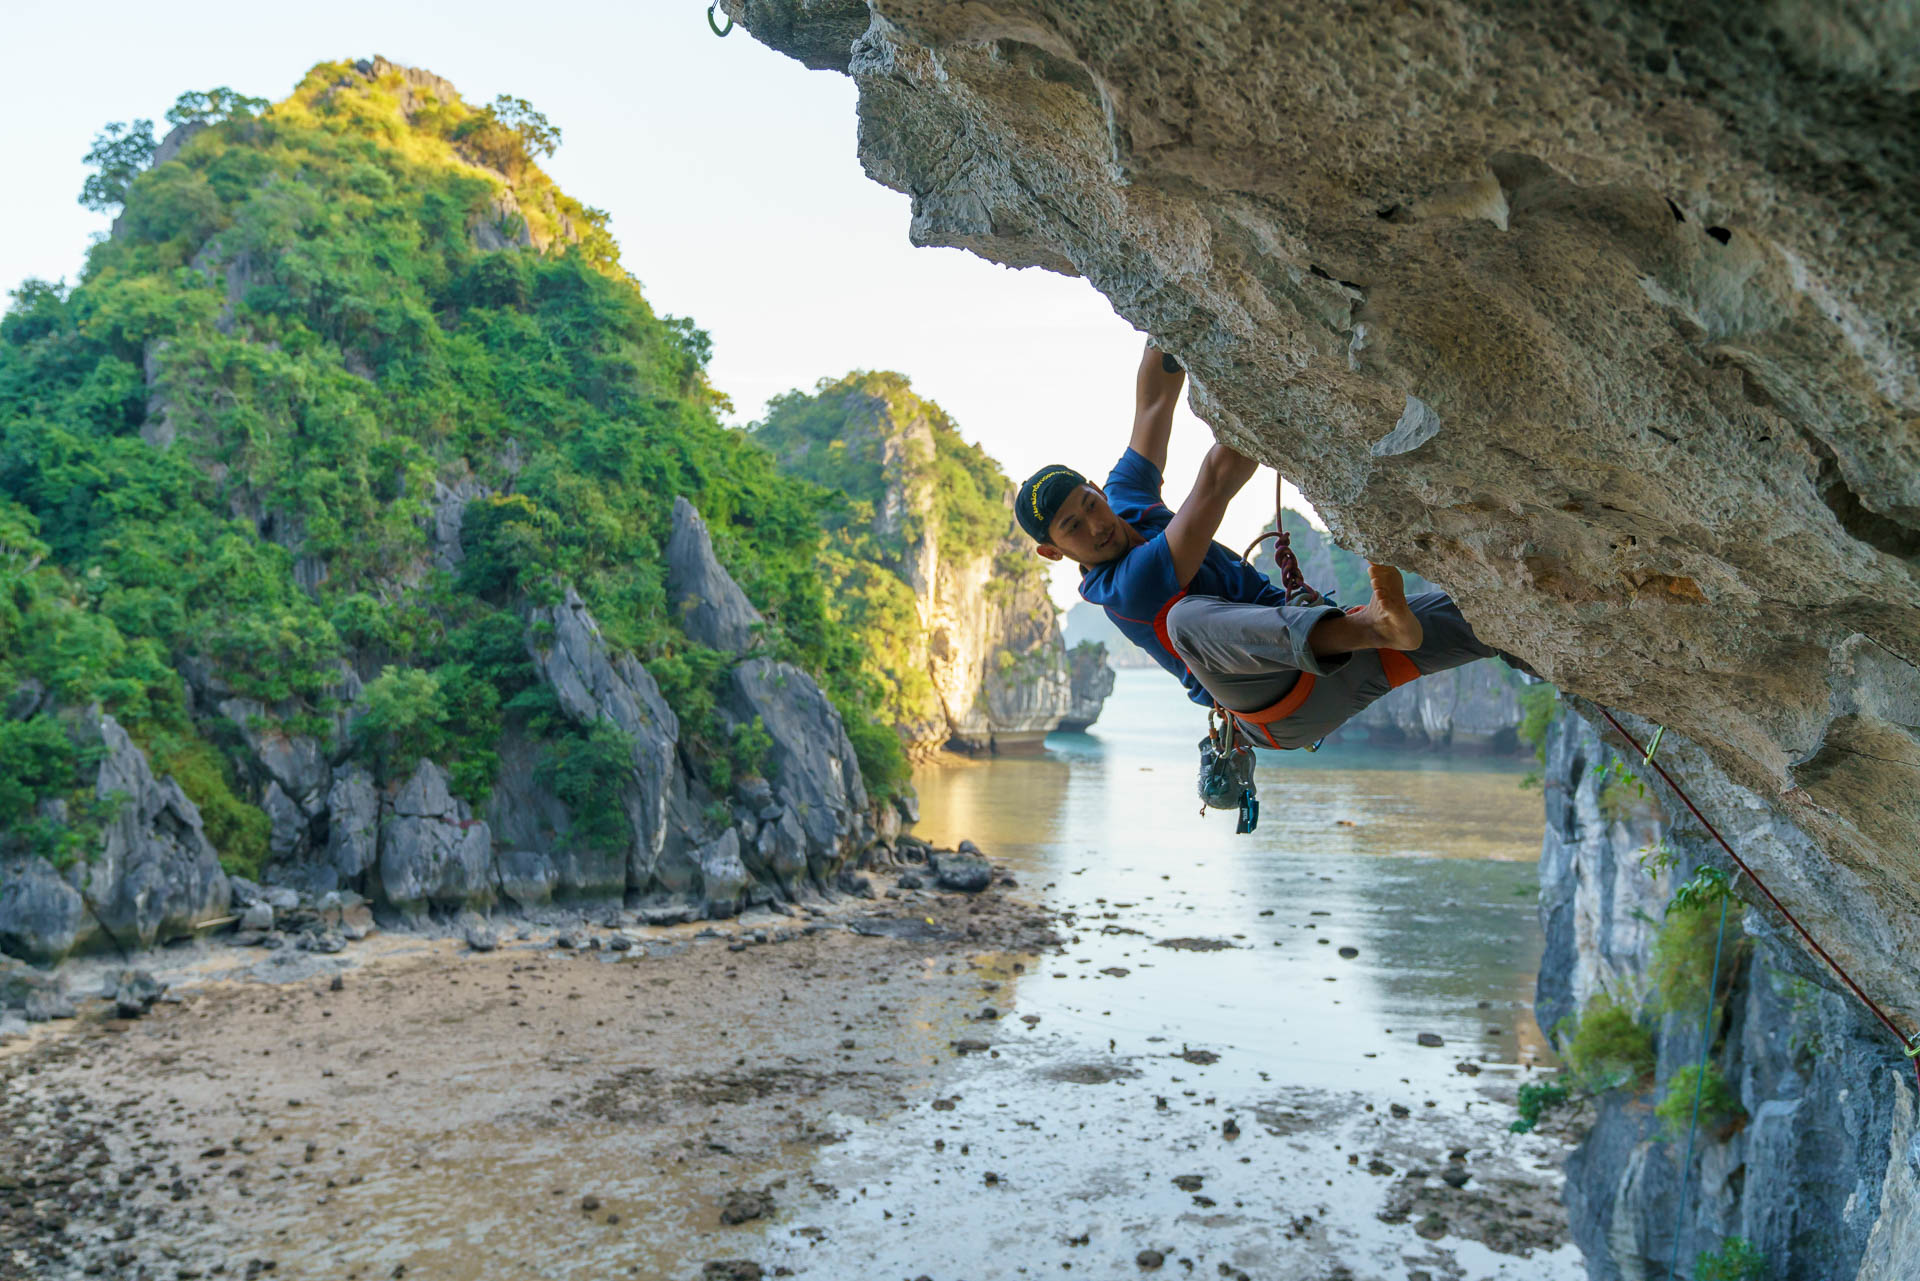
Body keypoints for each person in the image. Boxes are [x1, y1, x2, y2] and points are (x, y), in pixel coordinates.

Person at [1016, 341, 1515, 752]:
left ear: (1098, 490)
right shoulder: (1126, 590)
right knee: (1183, 621)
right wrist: (1273, 386)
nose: (1095, 525)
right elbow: (1216, 482)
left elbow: (1153, 405)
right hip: (1281, 706)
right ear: (1053, 552)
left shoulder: (1125, 497)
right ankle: (1374, 625)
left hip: (1341, 652)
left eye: (1090, 504)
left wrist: (1167, 321)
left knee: (1500, 618)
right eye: (1072, 527)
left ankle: (1395, 632)